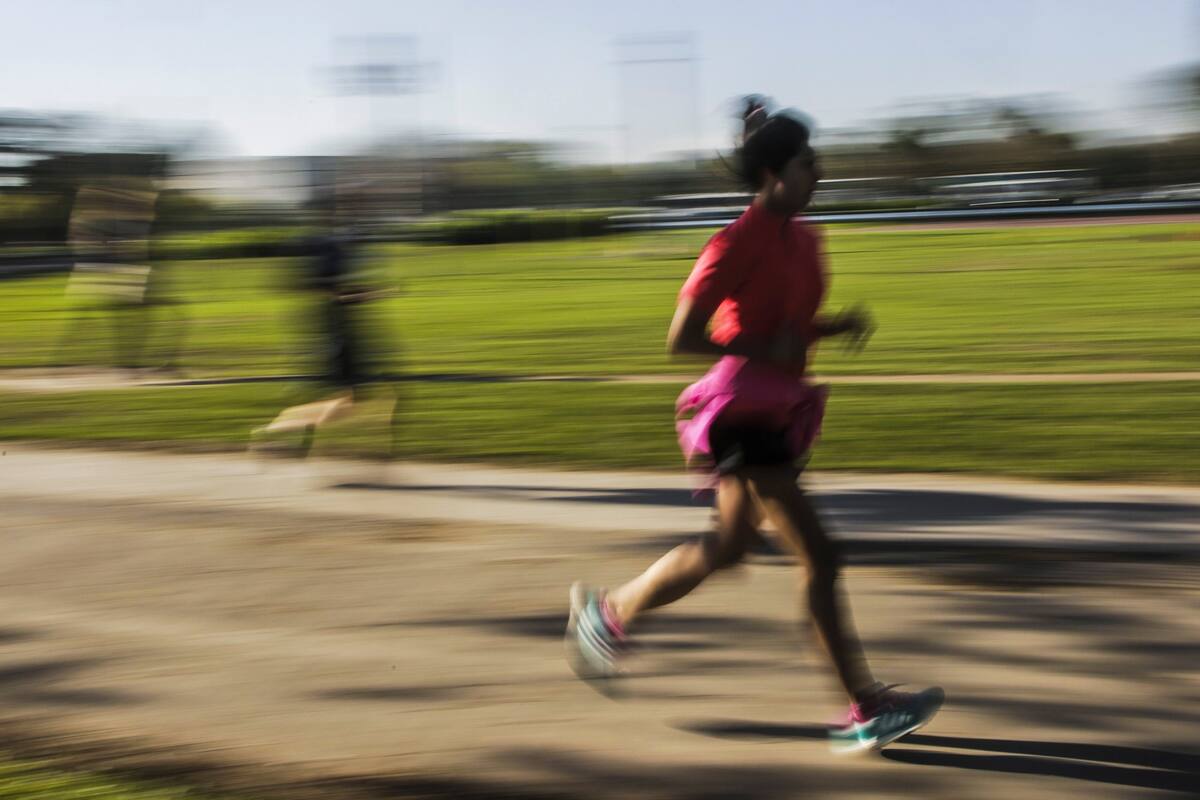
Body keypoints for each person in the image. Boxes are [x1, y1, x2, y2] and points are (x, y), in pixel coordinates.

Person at [565, 96, 943, 753]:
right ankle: (863, 709)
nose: (819, 172)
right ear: (773, 174)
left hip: (775, 407)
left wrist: (832, 327)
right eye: (806, 162)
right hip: (742, 414)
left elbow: (783, 324)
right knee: (820, 556)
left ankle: (609, 612)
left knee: (731, 548)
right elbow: (682, 337)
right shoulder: (733, 243)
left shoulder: (802, 238)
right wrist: (765, 348)